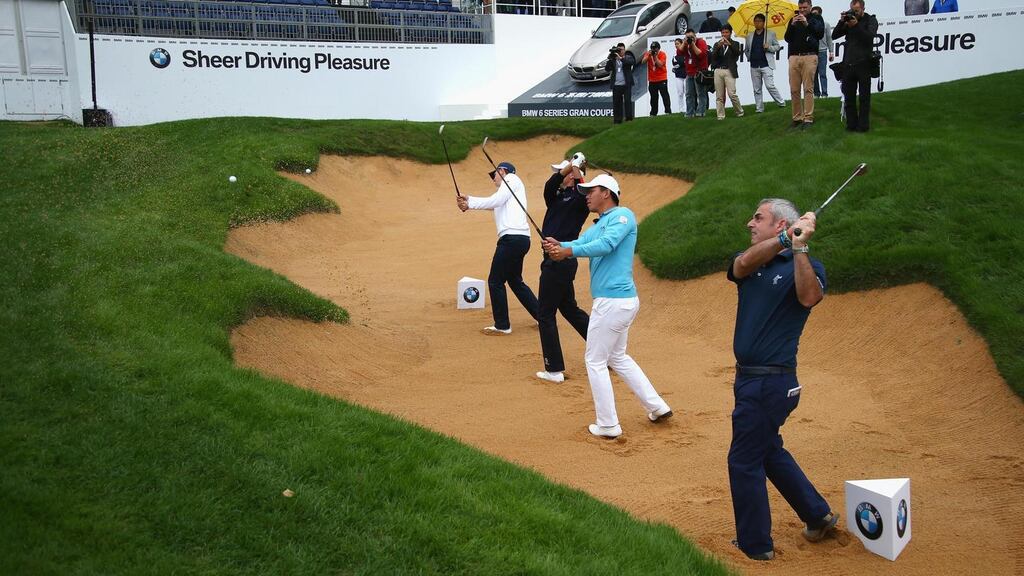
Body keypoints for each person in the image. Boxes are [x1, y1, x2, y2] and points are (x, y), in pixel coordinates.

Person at [726, 198, 839, 561]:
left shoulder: (805, 265)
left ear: (780, 224)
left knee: (744, 461)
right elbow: (740, 265)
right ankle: (817, 515)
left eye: (758, 218)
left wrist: (800, 248)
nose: (749, 223)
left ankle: (755, 546)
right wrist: (784, 242)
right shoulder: (756, 260)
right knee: (768, 450)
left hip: (770, 383)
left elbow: (809, 296)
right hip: (751, 381)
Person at [541, 175, 672, 439]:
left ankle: (608, 424)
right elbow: (581, 242)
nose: (586, 195)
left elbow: (606, 245)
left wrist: (566, 253)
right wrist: (560, 245)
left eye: (591, 190)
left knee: (595, 360)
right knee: (617, 357)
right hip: (615, 302)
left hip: (614, 301)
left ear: (607, 193)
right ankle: (657, 406)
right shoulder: (600, 223)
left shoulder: (623, 216)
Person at [457, 162, 539, 335]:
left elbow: (495, 200)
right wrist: (468, 202)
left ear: (502, 171)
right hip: (520, 240)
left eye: (493, 174)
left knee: (495, 280)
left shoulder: (511, 179)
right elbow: (493, 204)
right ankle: (543, 316)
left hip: (511, 240)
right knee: (515, 281)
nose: (493, 178)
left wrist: (470, 201)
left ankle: (502, 325)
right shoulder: (508, 193)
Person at [535, 153, 591, 383]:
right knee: (570, 310)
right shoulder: (557, 197)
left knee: (545, 313)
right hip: (555, 261)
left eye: (567, 173)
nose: (562, 176)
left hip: (561, 260)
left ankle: (554, 369)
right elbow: (550, 185)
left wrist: (576, 168)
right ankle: (607, 353)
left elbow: (583, 187)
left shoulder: (581, 198)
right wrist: (568, 167)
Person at [832, 0, 878, 132]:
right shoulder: (848, 21)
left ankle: (863, 126)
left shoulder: (871, 20)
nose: (854, 13)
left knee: (864, 98)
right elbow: (835, 35)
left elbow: (869, 37)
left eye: (857, 11)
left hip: (864, 63)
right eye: (852, 10)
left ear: (863, 8)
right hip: (848, 64)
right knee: (849, 97)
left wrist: (856, 25)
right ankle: (851, 125)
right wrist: (842, 21)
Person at [784, 0, 824, 129]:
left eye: (805, 7)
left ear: (810, 7)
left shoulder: (816, 18)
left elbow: (820, 33)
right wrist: (792, 25)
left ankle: (808, 118)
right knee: (794, 89)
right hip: (794, 56)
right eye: (800, 7)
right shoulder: (793, 19)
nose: (802, 10)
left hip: (810, 56)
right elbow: (787, 38)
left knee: (808, 88)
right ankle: (796, 118)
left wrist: (807, 24)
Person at [744, 14, 786, 113]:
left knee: (770, 86)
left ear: (763, 22)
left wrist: (769, 47)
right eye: (755, 21)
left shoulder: (770, 34)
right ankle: (759, 108)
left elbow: (777, 47)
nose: (757, 23)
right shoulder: (749, 35)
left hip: (766, 64)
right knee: (757, 89)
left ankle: (781, 102)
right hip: (754, 65)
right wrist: (749, 57)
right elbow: (746, 50)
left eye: (759, 21)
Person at [711, 24, 743, 120]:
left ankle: (740, 112)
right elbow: (713, 57)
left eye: (726, 32)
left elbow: (737, 54)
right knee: (719, 95)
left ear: (730, 33)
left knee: (732, 93)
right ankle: (720, 115)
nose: (724, 35)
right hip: (718, 70)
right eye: (723, 33)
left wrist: (730, 45)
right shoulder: (717, 44)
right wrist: (718, 48)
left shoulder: (735, 43)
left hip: (730, 70)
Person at [679, 29, 710, 118]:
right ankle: (690, 112)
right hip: (689, 72)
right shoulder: (686, 44)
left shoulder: (701, 42)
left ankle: (701, 111)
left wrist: (692, 44)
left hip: (699, 71)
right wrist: (684, 43)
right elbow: (679, 52)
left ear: (695, 36)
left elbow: (701, 54)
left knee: (700, 93)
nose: (689, 39)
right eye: (687, 37)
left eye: (691, 37)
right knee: (689, 93)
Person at [606, 43, 636, 124]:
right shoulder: (613, 59)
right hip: (616, 85)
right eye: (618, 50)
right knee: (617, 103)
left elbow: (631, 62)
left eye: (621, 50)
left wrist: (621, 58)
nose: (620, 51)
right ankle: (617, 120)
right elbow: (607, 69)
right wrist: (610, 58)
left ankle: (629, 118)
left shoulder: (628, 57)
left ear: (624, 50)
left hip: (626, 84)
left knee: (627, 101)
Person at [641, 41, 671, 116]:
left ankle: (668, 111)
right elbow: (643, 61)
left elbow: (660, 64)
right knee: (653, 98)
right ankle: (653, 113)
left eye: (655, 48)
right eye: (652, 48)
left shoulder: (662, 54)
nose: (654, 50)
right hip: (652, 80)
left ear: (658, 48)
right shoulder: (648, 53)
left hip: (662, 78)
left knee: (665, 96)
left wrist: (655, 57)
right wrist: (648, 55)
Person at [811, 6, 834, 98]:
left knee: (822, 73)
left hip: (822, 51)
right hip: (812, 51)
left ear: (820, 14)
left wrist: (831, 52)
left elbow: (829, 38)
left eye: (815, 13)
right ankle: (816, 93)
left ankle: (825, 93)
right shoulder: (810, 24)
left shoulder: (826, 24)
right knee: (814, 74)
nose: (814, 15)